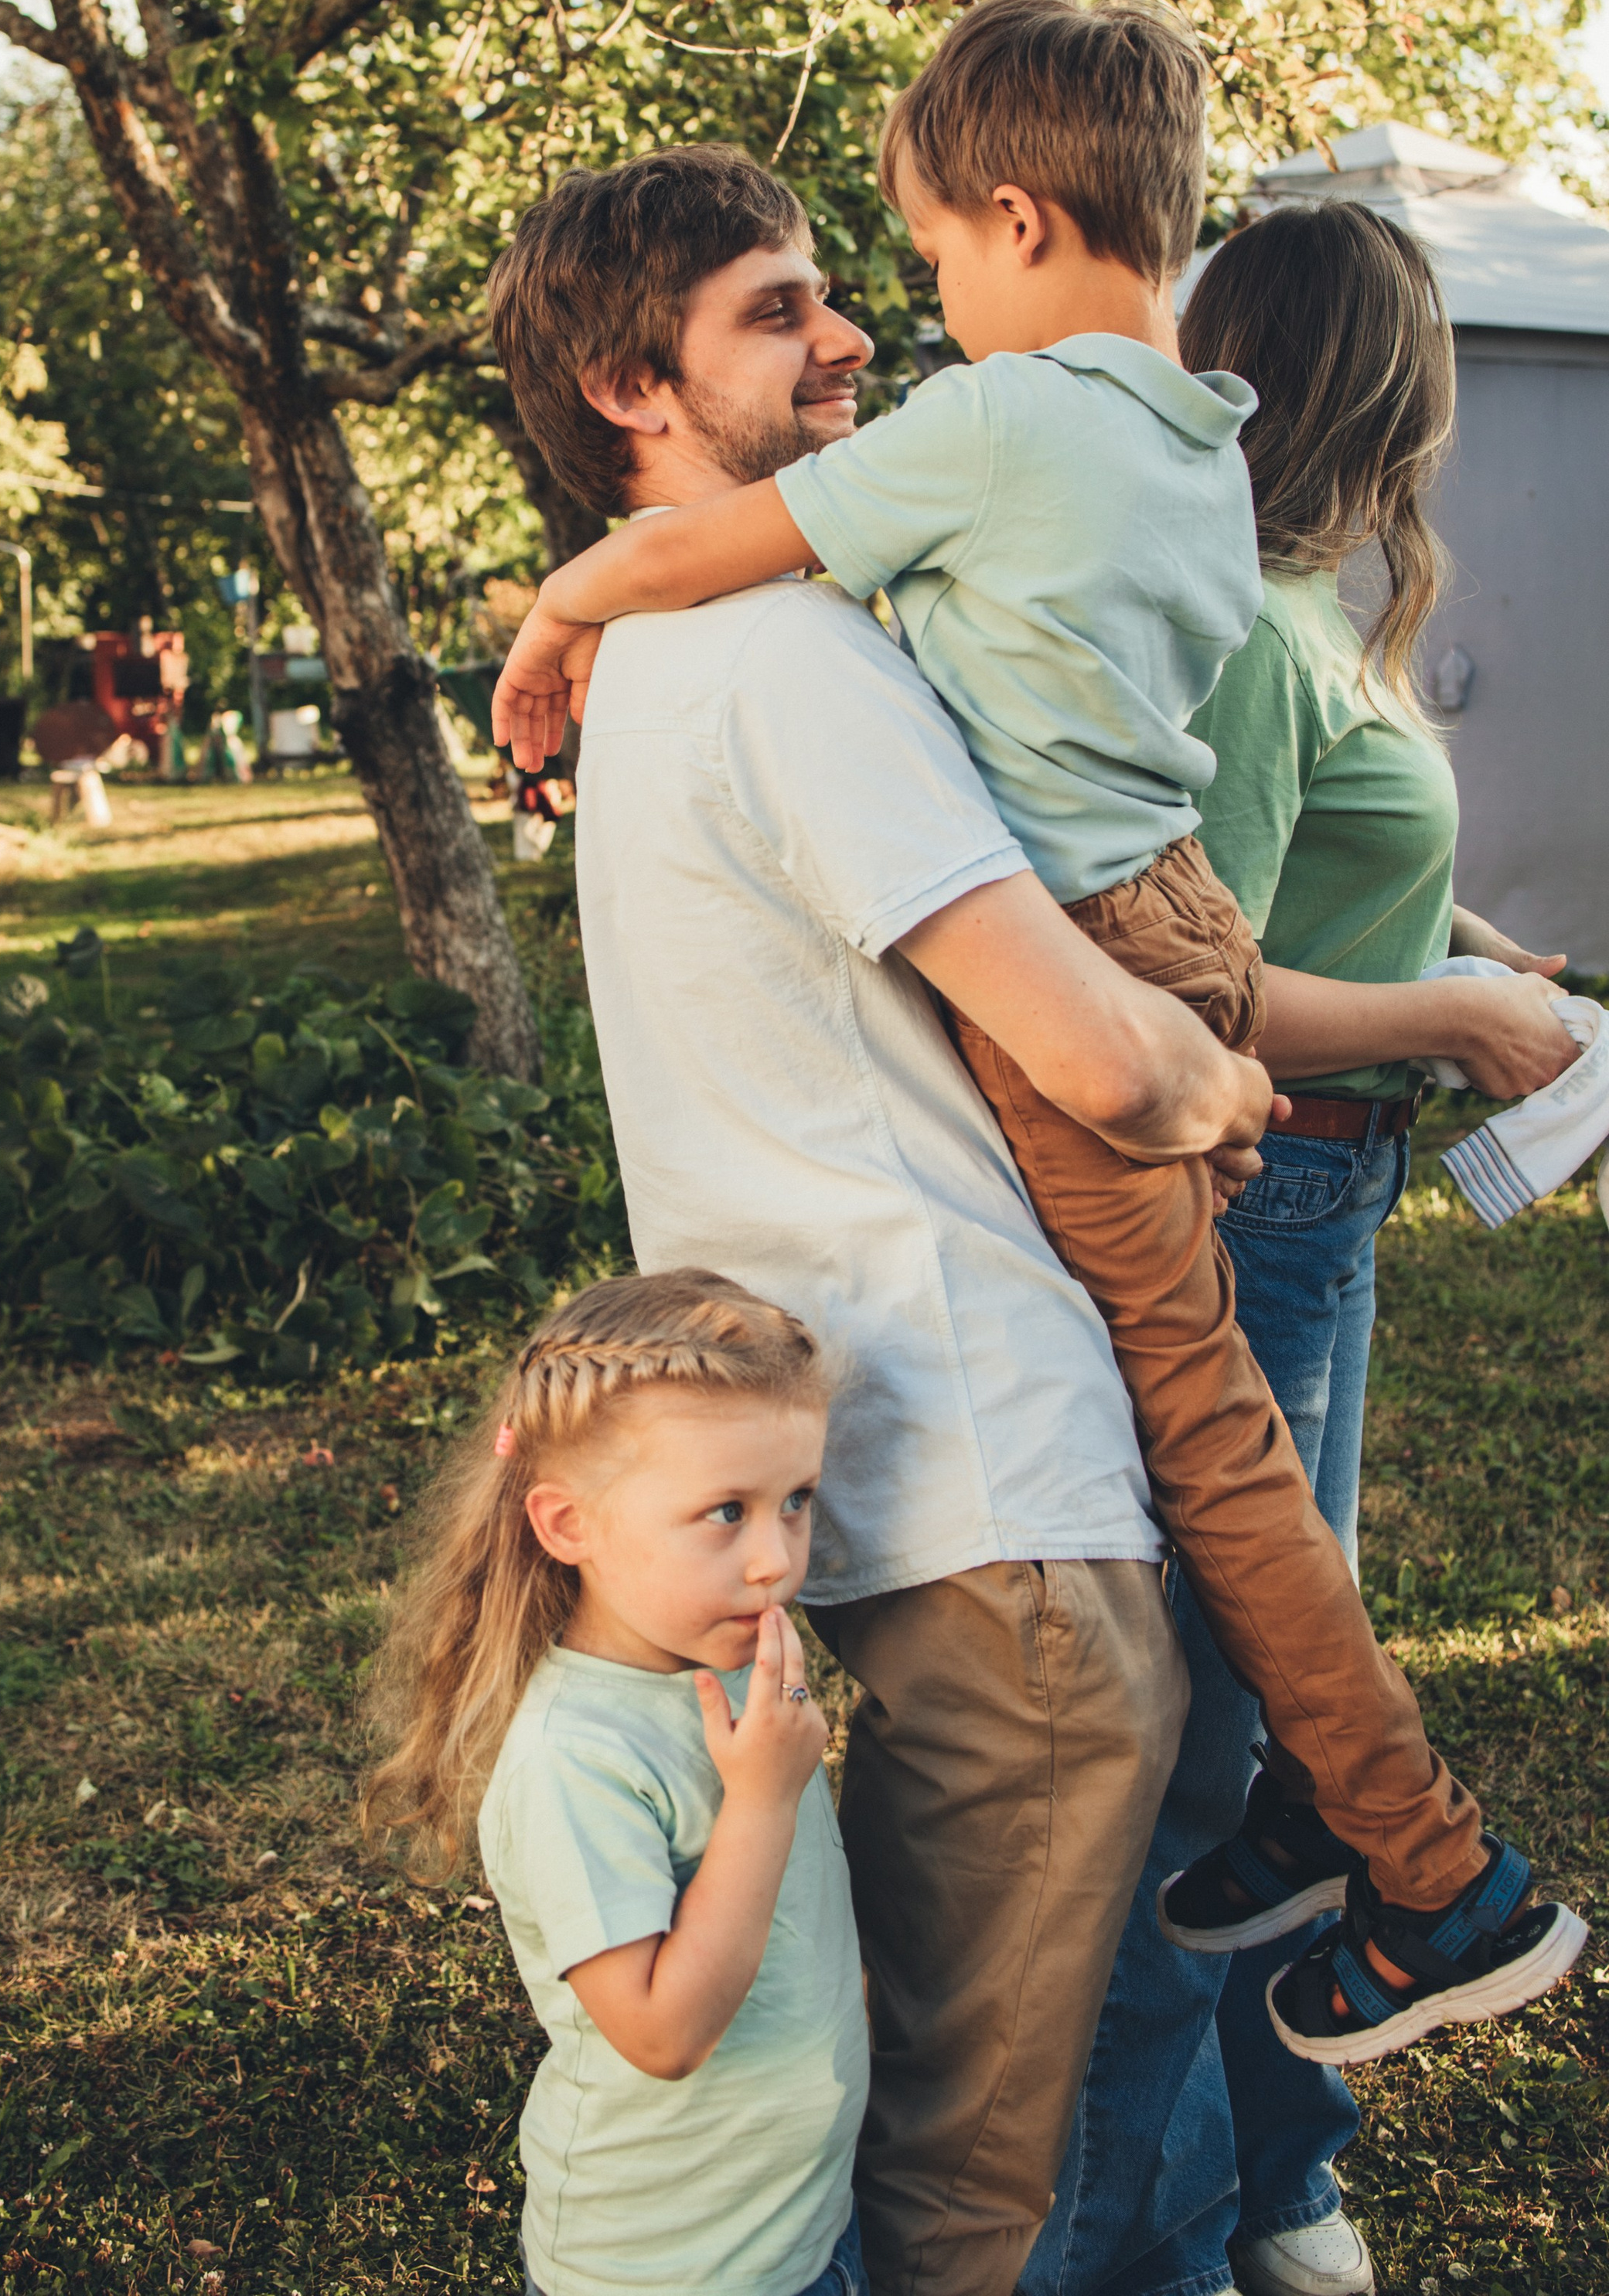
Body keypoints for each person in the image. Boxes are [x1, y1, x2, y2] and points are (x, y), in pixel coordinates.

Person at [491, 0, 1583, 2063]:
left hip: (1096, 936)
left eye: (911, 261)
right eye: (805, 302)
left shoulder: (998, 426)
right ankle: (1325, 1825)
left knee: (1216, 1453)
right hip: (1167, 900)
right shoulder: (1197, 433)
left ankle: (1437, 1871)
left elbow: (709, 547)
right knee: (1242, 1451)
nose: (900, 319)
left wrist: (556, 615)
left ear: (1014, 212)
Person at [488, 136, 1267, 2296]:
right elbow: (1101, 1052)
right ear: (627, 382)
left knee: (960, 2108)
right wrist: (1215, 1081)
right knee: (974, 2180)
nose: (848, 336)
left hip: (907, 1476)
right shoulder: (776, 657)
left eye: (838, 286)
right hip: (998, 1487)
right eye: (775, 309)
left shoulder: (675, 643)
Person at [1024, 201, 1578, 2296]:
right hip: (1268, 1214)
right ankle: (1155, 2236)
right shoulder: (1248, 636)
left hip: (1328, 1212)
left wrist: (1453, 948)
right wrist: (1454, 1019)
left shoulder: (1296, 614)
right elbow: (1203, 992)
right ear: (1395, 395)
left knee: (1261, 1772)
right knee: (1201, 1775)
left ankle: (1274, 2177)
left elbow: (1307, 899)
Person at [363, 1270, 870, 2296]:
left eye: (796, 1502)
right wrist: (765, 1798)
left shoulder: (723, 1669)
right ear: (568, 1526)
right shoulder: (574, 1760)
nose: (775, 1559)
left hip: (794, 2233)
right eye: (725, 1512)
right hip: (666, 2267)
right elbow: (662, 2030)